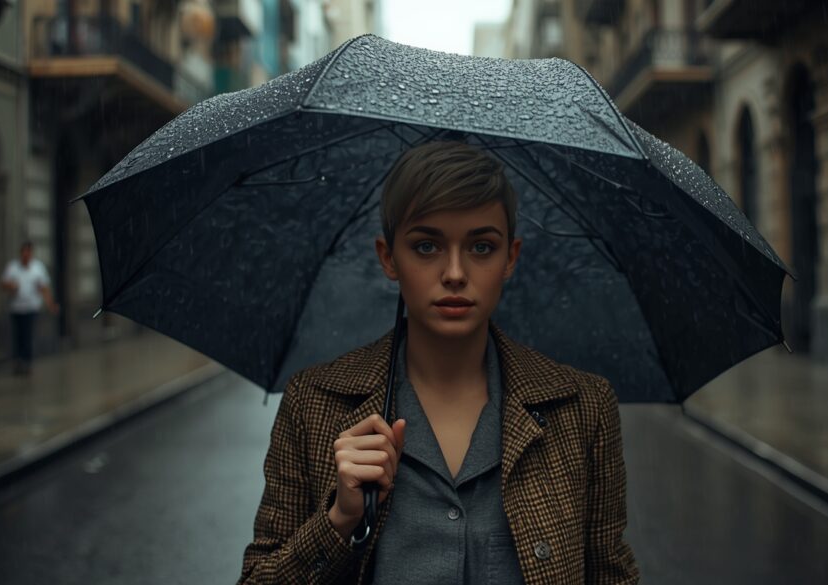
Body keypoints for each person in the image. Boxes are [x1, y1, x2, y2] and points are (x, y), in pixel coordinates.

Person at [238, 141, 639, 584]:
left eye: (481, 247)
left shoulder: (584, 408)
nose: (454, 272)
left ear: (511, 257)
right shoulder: (313, 404)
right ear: (388, 258)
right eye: (427, 246)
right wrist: (338, 520)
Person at [1, 240, 59, 376]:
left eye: (29, 252)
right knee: (18, 335)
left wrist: (50, 304)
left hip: (31, 308)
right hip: (16, 308)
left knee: (27, 335)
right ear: (21, 253)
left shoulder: (37, 268)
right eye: (24, 252)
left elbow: (44, 288)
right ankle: (18, 361)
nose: (26, 255)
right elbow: (3, 284)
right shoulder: (13, 267)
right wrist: (11, 286)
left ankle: (26, 362)